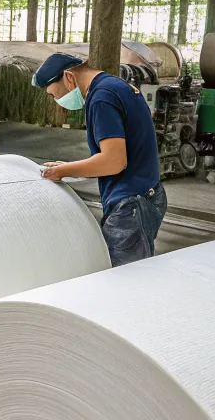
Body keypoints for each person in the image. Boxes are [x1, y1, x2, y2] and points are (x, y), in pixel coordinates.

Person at [32, 52, 166, 266]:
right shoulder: (113, 85)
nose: (57, 101)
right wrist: (69, 167)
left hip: (131, 205)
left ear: (68, 77)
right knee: (136, 273)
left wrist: (63, 172)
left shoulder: (101, 98)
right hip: (145, 194)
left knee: (124, 281)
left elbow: (113, 161)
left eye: (53, 94)